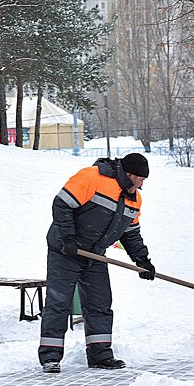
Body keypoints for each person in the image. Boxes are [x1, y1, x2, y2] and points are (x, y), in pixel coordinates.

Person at [38, 152, 155, 373]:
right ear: (129, 174)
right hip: (65, 250)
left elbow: (130, 234)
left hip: (95, 254)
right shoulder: (92, 177)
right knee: (59, 301)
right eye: (140, 180)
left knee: (100, 303)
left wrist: (143, 261)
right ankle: (50, 356)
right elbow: (61, 205)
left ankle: (100, 355)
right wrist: (68, 238)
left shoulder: (134, 199)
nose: (141, 186)